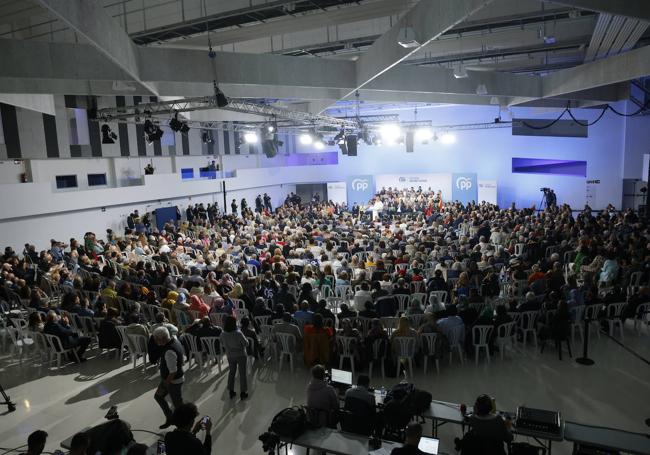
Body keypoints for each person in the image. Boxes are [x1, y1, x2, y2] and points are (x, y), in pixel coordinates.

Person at [153, 326, 185, 429]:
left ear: (161, 338)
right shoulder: (175, 340)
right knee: (158, 396)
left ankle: (183, 426)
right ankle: (170, 418)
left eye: (156, 338)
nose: (155, 341)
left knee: (178, 406)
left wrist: (166, 384)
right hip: (170, 380)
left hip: (173, 381)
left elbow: (173, 371)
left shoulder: (169, 351)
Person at [220, 315, 249, 399]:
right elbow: (246, 343)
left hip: (230, 355)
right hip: (240, 355)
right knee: (242, 374)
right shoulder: (238, 333)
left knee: (232, 372)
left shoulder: (223, 333)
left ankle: (231, 391)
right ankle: (243, 392)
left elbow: (222, 343)